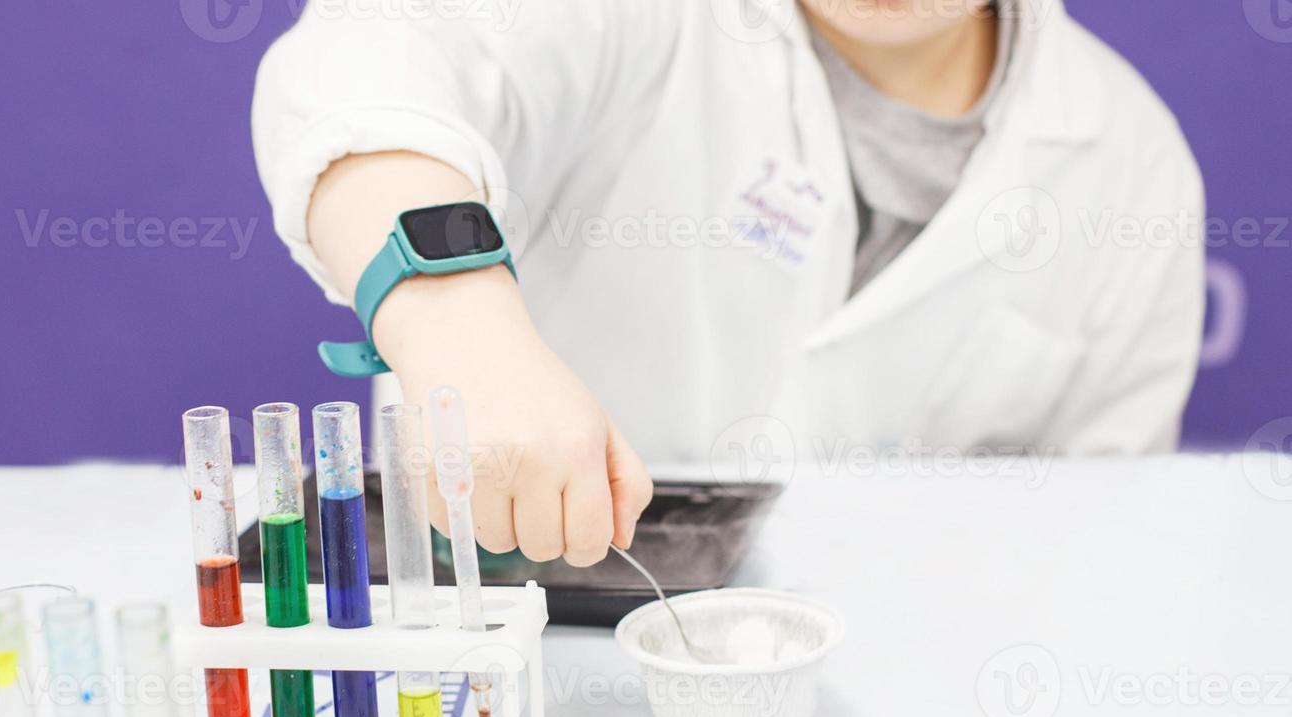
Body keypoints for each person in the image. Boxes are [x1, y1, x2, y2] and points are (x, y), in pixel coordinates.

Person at [251, 0, 1205, 567]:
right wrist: (462, 326)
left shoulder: (1129, 162)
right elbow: (370, 61)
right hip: (538, 656)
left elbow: (1106, 548)